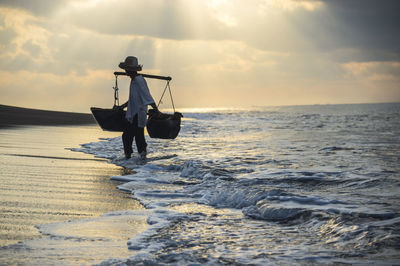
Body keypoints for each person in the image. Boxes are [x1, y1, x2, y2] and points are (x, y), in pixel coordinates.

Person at [118, 56, 160, 159]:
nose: (125, 71)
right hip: (134, 113)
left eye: (126, 69)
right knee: (133, 135)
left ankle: (138, 157)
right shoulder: (134, 80)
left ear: (129, 70)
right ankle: (134, 157)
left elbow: (147, 96)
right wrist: (122, 106)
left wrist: (156, 110)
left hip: (138, 113)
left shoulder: (139, 81)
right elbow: (133, 99)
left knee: (135, 136)